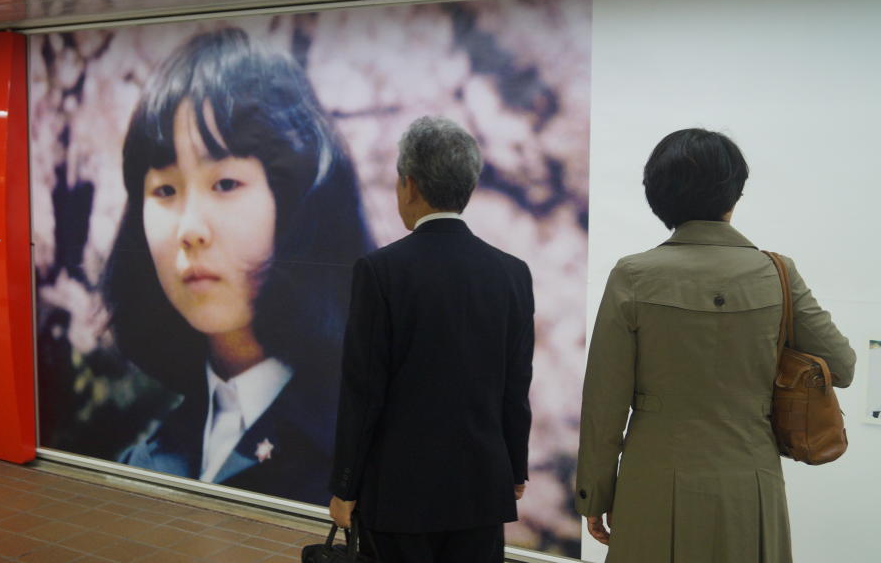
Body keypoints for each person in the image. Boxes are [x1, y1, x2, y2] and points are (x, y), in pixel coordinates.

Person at [102, 28, 372, 504]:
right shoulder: (145, 458)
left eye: (225, 183)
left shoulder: (365, 445)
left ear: (296, 203)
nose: (190, 228)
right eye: (164, 190)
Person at [575, 128, 856, 562]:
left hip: (652, 481)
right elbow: (842, 366)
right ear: (735, 193)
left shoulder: (633, 275)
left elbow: (604, 403)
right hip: (752, 482)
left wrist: (594, 495)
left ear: (658, 196)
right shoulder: (777, 273)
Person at [327, 116, 535, 563]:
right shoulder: (512, 274)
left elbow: (363, 391)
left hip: (399, 493)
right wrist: (514, 467)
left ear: (410, 185)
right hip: (481, 487)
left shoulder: (380, 272)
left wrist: (344, 487)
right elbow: (516, 387)